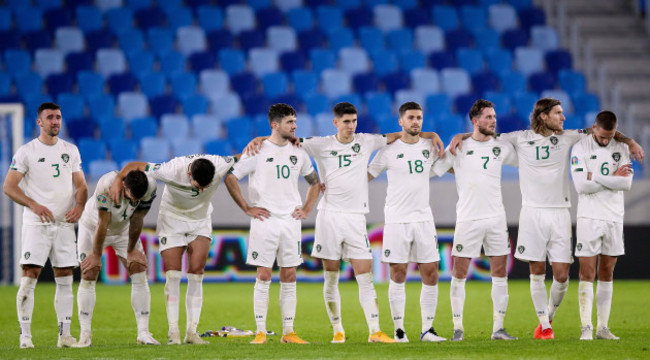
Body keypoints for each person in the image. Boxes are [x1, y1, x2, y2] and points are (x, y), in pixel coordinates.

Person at [246, 102, 443, 343]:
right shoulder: (320, 144)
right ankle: (338, 330)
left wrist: (430, 133)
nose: (351, 126)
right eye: (346, 121)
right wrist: (260, 138)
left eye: (354, 121)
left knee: (365, 274)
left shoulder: (366, 141)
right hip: (329, 215)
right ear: (336, 123)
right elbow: (284, 139)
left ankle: (374, 331)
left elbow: (402, 134)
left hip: (356, 218)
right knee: (331, 275)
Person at [449, 97, 643, 340]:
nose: (563, 117)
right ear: (543, 115)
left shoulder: (568, 136)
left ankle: (549, 314)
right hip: (531, 212)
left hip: (560, 212)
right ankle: (544, 325)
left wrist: (631, 141)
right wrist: (462, 136)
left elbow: (601, 129)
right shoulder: (519, 138)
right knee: (536, 271)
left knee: (562, 275)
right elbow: (485, 136)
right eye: (558, 113)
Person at [109, 152, 238, 345]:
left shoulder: (219, 164)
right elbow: (136, 164)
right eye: (198, 185)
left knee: (197, 272)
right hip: (172, 219)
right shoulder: (170, 170)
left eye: (206, 186)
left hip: (200, 220)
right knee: (173, 274)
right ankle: (173, 332)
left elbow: (243, 155)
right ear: (189, 174)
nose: (201, 190)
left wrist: (261, 139)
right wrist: (118, 179)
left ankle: (191, 332)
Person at [224, 104, 321, 345]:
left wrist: (307, 208)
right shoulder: (257, 149)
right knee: (264, 274)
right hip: (264, 220)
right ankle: (260, 332)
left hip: (290, 221)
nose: (295, 126)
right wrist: (246, 207)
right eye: (290, 122)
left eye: (295, 122)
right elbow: (230, 176)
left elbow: (315, 182)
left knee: (289, 275)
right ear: (275, 125)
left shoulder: (298, 151)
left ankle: (289, 332)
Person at [3, 102, 88, 348]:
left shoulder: (70, 150)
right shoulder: (26, 151)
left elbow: (81, 186)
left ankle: (65, 336)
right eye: (50, 117)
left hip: (64, 224)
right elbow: (9, 186)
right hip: (36, 224)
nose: (55, 121)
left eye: (58, 117)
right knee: (30, 276)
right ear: (39, 122)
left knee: (65, 277)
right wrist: (34, 205)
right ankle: (25, 337)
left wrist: (80, 206)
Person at [433, 100, 518, 341]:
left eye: (494, 116)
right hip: (468, 218)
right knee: (459, 272)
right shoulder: (459, 146)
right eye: (488, 117)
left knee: (500, 272)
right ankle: (458, 328)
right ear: (475, 120)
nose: (493, 120)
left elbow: (528, 159)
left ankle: (498, 329)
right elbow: (435, 168)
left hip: (496, 218)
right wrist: (458, 140)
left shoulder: (502, 147)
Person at [367, 102, 446, 343]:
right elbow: (365, 176)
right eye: (411, 117)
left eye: (419, 118)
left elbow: (447, 163)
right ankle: (399, 330)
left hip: (423, 218)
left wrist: (433, 135)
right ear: (400, 121)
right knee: (398, 272)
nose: (416, 122)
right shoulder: (388, 151)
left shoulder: (430, 147)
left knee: (431, 272)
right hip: (397, 219)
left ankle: (427, 330)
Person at [74, 170, 159, 347]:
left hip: (123, 230)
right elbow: (102, 223)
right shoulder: (106, 186)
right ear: (123, 185)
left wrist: (131, 250)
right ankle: (85, 334)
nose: (135, 202)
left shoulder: (150, 186)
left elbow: (138, 218)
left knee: (138, 270)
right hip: (92, 227)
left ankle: (143, 332)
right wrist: (96, 255)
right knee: (89, 273)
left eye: (138, 199)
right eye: (131, 197)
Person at [570, 111, 633, 341]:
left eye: (611, 136)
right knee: (587, 271)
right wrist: (611, 178)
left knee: (607, 272)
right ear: (594, 127)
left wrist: (593, 176)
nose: (606, 141)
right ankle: (586, 326)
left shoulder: (622, 147)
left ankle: (602, 327)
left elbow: (625, 183)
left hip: (615, 217)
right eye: (603, 136)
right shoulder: (580, 148)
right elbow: (580, 186)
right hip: (589, 216)